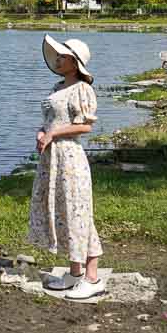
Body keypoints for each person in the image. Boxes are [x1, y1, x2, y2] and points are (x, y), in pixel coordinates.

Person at [28, 35, 106, 300]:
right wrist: (42, 133)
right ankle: (74, 273)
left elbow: (85, 125)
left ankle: (92, 276)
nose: (58, 60)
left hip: (70, 158)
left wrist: (54, 133)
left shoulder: (82, 89)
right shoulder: (57, 86)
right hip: (52, 158)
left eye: (63, 56)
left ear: (76, 63)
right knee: (62, 210)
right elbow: (50, 120)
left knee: (78, 211)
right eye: (57, 56)